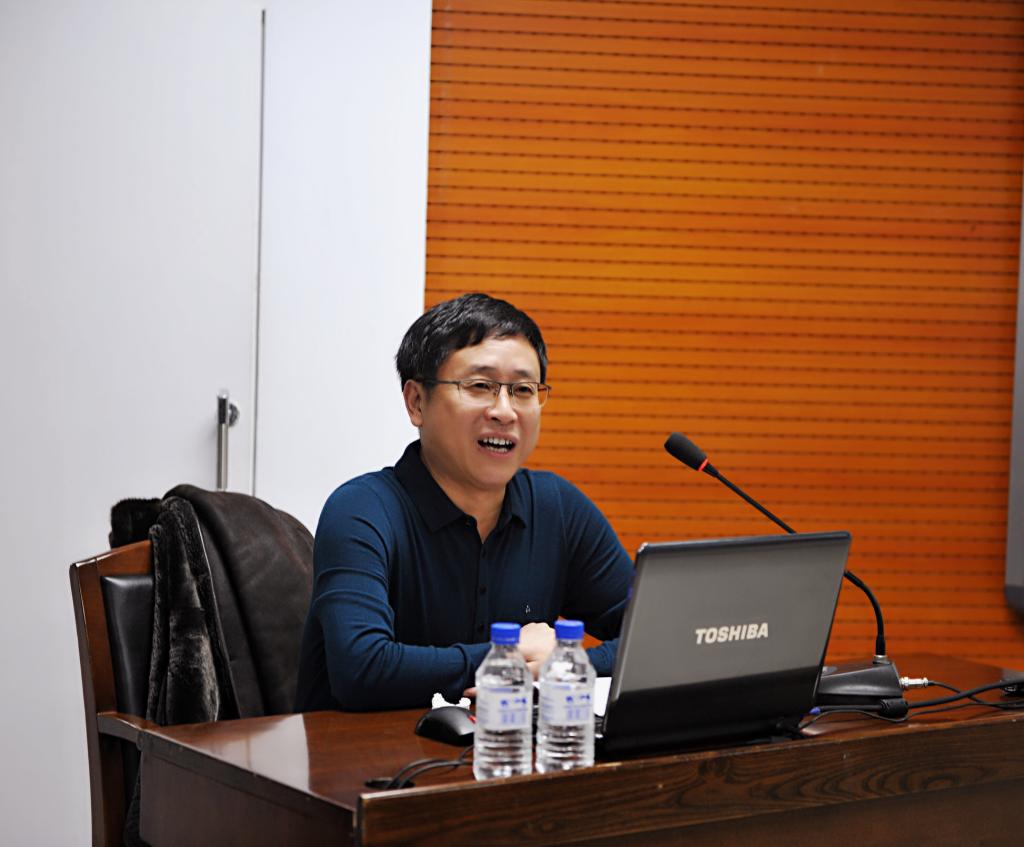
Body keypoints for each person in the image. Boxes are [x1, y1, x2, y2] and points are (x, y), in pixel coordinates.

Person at [294, 293, 634, 711]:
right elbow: (361, 669)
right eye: (479, 386)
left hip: (505, 749)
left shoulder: (557, 508)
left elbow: (655, 637)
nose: (505, 411)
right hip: (366, 752)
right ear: (416, 402)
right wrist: (506, 658)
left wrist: (562, 665)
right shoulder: (361, 511)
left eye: (523, 390)